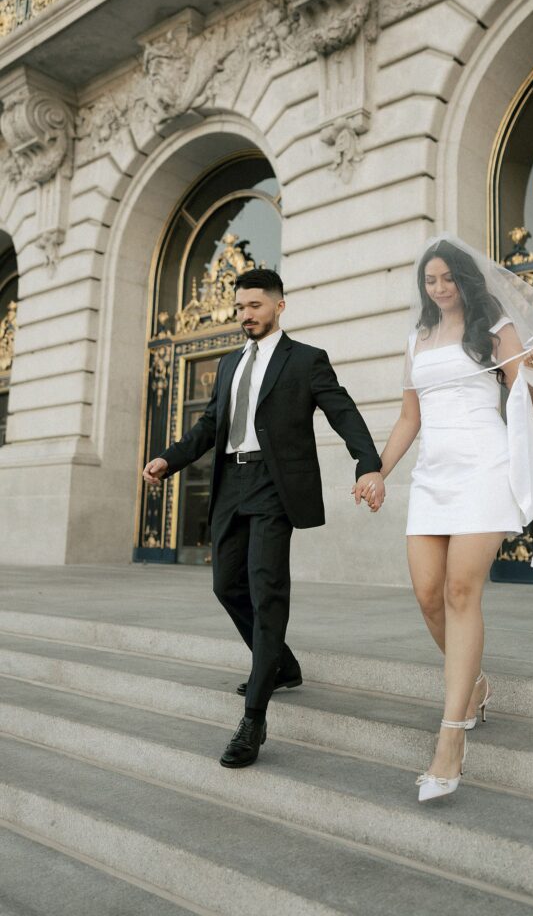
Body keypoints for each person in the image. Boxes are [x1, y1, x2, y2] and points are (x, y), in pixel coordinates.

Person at [363, 235, 533, 803]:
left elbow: (527, 400)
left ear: (465, 280)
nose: (438, 288)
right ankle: (477, 683)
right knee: (427, 595)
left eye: (446, 278)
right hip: (434, 475)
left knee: (463, 590)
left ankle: (451, 737)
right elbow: (409, 417)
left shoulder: (496, 328)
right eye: (429, 281)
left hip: (486, 466)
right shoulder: (414, 339)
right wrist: (379, 471)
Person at [143, 268, 384, 768]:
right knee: (225, 584)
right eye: (239, 307)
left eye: (253, 306)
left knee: (265, 587)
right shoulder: (231, 363)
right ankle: (281, 664)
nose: (244, 315)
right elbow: (210, 425)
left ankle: (254, 717)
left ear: (279, 305)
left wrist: (369, 462)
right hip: (231, 484)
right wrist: (170, 459)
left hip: (276, 485)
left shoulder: (306, 360)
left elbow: (343, 411)